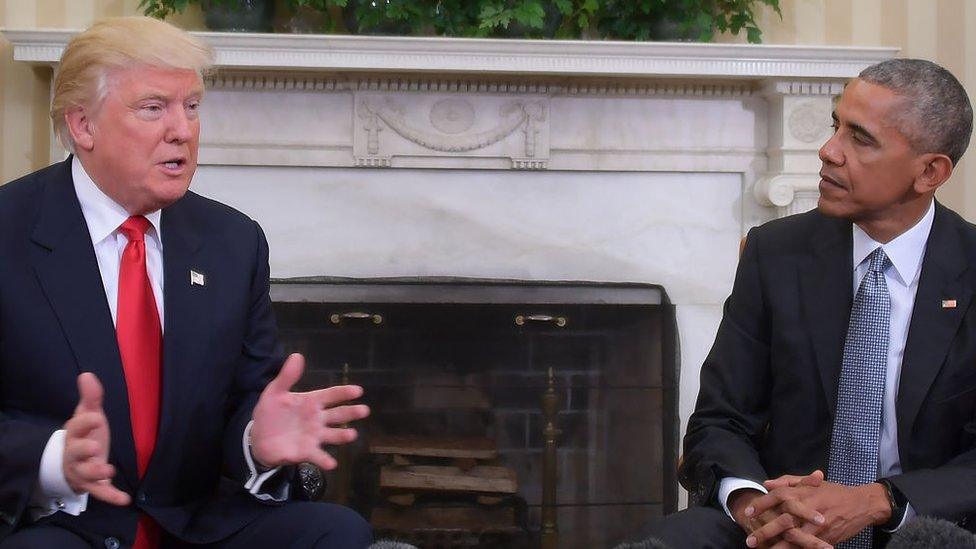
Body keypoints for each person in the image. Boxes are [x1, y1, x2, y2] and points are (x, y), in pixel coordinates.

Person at [0, 16, 372, 548]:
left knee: (337, 532)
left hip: (193, 521)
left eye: (191, 106)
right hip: (63, 524)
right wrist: (53, 458)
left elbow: (250, 396)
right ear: (83, 124)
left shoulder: (233, 241)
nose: (183, 129)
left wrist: (255, 443)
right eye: (154, 108)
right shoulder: (8, 232)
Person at [646, 58, 976, 548]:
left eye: (860, 138)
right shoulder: (775, 253)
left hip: (924, 525)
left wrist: (877, 501)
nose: (828, 151)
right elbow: (720, 421)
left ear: (929, 171)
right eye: (834, 127)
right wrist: (753, 506)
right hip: (778, 522)